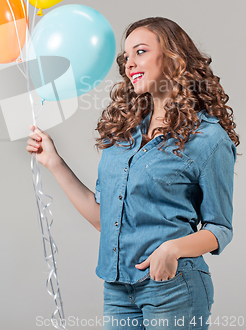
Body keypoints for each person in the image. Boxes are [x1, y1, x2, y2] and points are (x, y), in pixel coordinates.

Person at [26, 17, 240, 330]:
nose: (129, 63)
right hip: (117, 289)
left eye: (139, 52)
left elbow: (220, 228)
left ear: (172, 56)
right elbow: (105, 219)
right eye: (126, 57)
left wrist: (172, 248)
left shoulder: (208, 139)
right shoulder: (123, 134)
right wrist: (54, 162)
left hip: (173, 288)